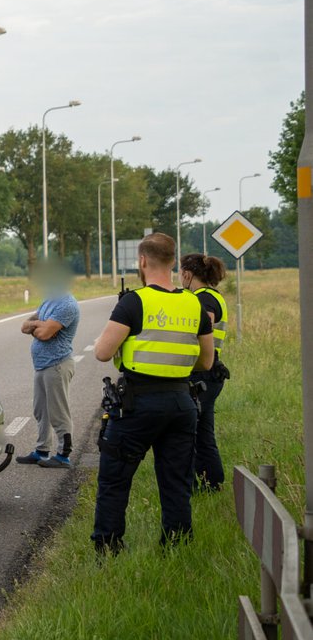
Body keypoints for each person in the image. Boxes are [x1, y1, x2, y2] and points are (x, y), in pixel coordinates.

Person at [89, 233, 214, 553]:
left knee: (115, 478)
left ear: (142, 261)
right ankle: (176, 546)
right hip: (182, 402)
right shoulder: (193, 303)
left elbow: (103, 353)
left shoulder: (134, 301)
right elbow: (207, 360)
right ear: (174, 262)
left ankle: (108, 546)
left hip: (137, 403)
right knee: (177, 482)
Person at [16, 261, 80, 467]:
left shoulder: (67, 305)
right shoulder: (48, 301)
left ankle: (63, 454)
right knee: (40, 410)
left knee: (58, 412)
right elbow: (25, 326)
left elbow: (43, 334)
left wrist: (39, 327)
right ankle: (42, 450)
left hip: (57, 364)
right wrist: (39, 324)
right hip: (42, 365)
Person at [180, 253, 231, 492]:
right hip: (211, 373)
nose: (179, 278)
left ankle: (195, 484)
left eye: (180, 273)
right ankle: (212, 482)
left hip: (203, 373)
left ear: (188, 275)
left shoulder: (203, 300)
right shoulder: (212, 296)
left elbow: (202, 331)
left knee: (190, 432)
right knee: (203, 432)